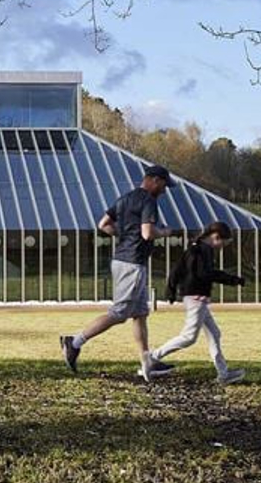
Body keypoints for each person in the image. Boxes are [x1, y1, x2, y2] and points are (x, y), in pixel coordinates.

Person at [60, 164, 180, 382]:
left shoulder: (125, 199)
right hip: (132, 263)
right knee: (120, 313)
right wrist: (165, 232)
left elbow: (103, 224)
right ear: (154, 180)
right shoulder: (148, 201)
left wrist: (124, 236)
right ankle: (74, 342)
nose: (164, 190)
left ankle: (147, 362)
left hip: (125, 260)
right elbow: (147, 233)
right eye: (164, 185)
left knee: (140, 314)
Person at [153, 221, 247, 384]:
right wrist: (234, 280)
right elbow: (206, 274)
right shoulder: (202, 250)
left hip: (196, 296)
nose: (222, 247)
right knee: (189, 337)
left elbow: (177, 270)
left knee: (214, 333)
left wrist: (171, 290)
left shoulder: (195, 247)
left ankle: (223, 374)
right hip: (196, 298)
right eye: (223, 243)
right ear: (216, 237)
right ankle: (152, 357)